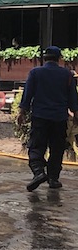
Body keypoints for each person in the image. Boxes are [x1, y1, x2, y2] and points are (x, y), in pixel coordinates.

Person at [17, 46, 78, 191]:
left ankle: (39, 172)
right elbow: (73, 97)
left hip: (40, 117)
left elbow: (28, 94)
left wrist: (22, 111)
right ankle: (53, 179)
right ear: (59, 59)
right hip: (59, 118)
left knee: (36, 146)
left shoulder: (35, 73)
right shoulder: (67, 75)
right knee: (57, 149)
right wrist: (75, 114)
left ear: (44, 58)